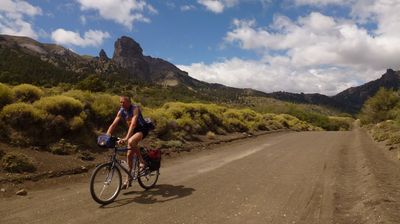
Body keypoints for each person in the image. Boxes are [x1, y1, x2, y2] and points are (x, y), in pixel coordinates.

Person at [106, 95, 149, 189]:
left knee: (131, 141)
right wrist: (107, 135)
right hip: (133, 131)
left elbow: (133, 124)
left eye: (123, 102)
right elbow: (114, 124)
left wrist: (126, 138)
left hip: (142, 129)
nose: (121, 104)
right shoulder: (121, 110)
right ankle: (128, 180)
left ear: (129, 102)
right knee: (129, 156)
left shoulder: (135, 108)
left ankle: (142, 162)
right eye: (120, 102)